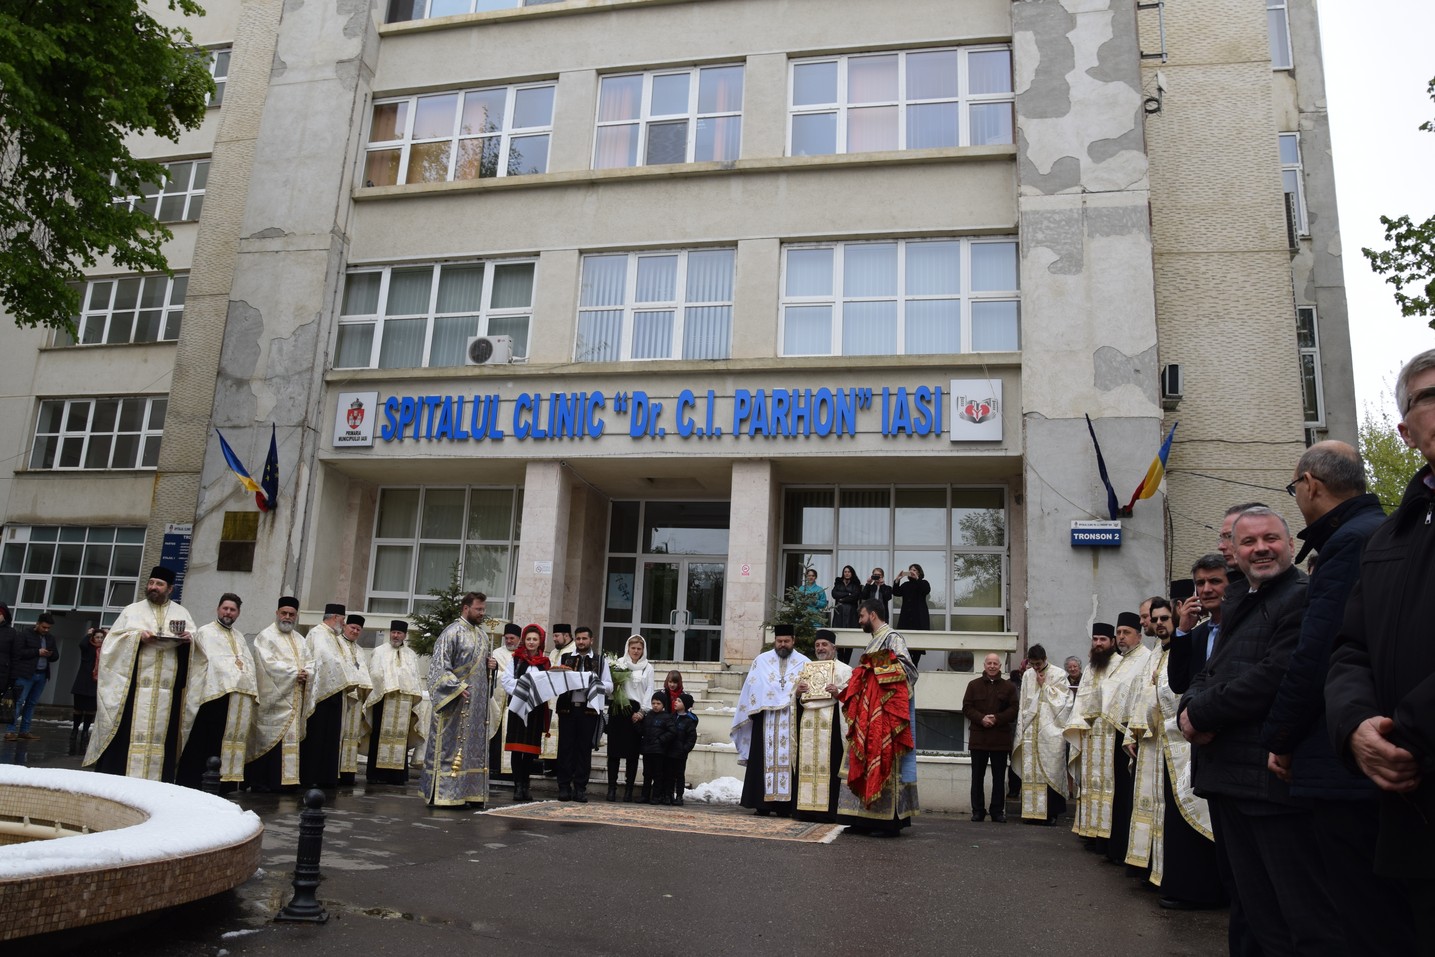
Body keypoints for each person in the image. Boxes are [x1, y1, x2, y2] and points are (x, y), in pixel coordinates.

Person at [1262, 442, 1415, 953]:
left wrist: (1281, 735)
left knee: (1361, 914)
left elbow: (1320, 649)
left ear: (1310, 484)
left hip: (1345, 758)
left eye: (1294, 488)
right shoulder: (1381, 529)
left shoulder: (1349, 543)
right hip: (1374, 743)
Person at [1180, 507, 1341, 956]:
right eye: (1248, 542)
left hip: (1271, 786)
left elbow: (1278, 673)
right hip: (1231, 781)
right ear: (1234, 551)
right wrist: (1187, 709)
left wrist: (1202, 714)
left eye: (1270, 538)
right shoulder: (1241, 602)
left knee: (1300, 917)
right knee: (1253, 913)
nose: (1260, 549)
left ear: (1290, 543)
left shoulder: (1302, 596)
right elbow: (1209, 671)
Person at [1328, 348, 1435, 952]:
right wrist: (1353, 726)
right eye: (1429, 395)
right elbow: (1350, 647)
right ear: (1405, 428)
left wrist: (1404, 733)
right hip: (1408, 811)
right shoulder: (1392, 534)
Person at [85, 568, 193, 780]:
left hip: (167, 693)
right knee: (127, 734)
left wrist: (190, 640)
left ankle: (158, 779)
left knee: (163, 735)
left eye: (159, 584)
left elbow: (196, 646)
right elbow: (111, 645)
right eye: (151, 582)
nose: (153, 587)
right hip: (134, 689)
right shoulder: (131, 611)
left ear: (170, 589)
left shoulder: (182, 613)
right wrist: (136, 639)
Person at [835, 599, 918, 835]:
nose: (859, 620)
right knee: (862, 760)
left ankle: (888, 823)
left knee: (884, 761)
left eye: (861, 616)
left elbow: (908, 670)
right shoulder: (874, 641)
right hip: (867, 714)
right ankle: (863, 820)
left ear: (872, 615)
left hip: (885, 716)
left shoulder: (893, 638)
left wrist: (871, 668)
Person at [175, 593, 259, 790]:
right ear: (218, 609)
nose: (228, 612)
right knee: (205, 741)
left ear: (238, 613)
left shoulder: (238, 636)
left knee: (227, 741)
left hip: (235, 699)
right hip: (212, 697)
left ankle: (225, 783)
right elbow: (199, 661)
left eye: (233, 610)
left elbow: (245, 662)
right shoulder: (205, 632)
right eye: (225, 608)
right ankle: (193, 782)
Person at [424, 591, 496, 808]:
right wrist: (455, 687)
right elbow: (438, 668)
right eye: (479, 609)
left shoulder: (483, 636)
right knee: (451, 748)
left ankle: (470, 793)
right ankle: (447, 794)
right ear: (466, 608)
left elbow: (483, 672)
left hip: (475, 705)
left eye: (484, 609)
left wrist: (492, 667)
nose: (482, 613)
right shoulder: (451, 633)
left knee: (473, 748)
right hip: (455, 702)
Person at [732, 623, 812, 817]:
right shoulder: (761, 661)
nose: (782, 644)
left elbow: (810, 689)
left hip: (791, 719)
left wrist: (799, 693)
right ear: (774, 641)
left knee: (790, 759)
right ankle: (763, 804)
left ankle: (786, 806)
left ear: (793, 641)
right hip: (766, 720)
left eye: (786, 641)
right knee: (762, 759)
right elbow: (752, 688)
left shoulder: (804, 662)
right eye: (779, 641)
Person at [1063, 622, 1120, 851]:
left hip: (1109, 737)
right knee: (1089, 785)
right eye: (1095, 639)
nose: (1098, 644)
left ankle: (1106, 834)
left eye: (1102, 640)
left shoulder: (1118, 665)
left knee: (1108, 786)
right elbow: (1082, 700)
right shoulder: (1090, 668)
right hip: (1089, 735)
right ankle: (1089, 829)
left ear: (1112, 642)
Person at [246, 597, 312, 791]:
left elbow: (310, 662)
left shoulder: (300, 639)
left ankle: (286, 781)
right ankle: (263, 782)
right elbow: (266, 664)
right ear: (277, 613)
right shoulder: (266, 636)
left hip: (295, 698)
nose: (287, 617)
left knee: (289, 740)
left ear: (296, 616)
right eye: (284, 613)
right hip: (272, 701)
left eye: (291, 614)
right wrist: (294, 673)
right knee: (268, 740)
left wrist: (307, 672)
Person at [1105, 609, 1154, 866]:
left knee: (1128, 793)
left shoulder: (1145, 658)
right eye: (1119, 633)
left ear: (1139, 635)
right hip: (1117, 731)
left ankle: (1125, 849)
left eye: (1126, 633)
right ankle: (1117, 847)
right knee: (1119, 793)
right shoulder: (1122, 659)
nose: (1121, 637)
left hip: (1131, 732)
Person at [794, 629, 853, 822]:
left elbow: (853, 698)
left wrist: (838, 692)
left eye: (824, 644)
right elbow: (794, 699)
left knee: (831, 766)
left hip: (833, 727)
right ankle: (806, 810)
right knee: (807, 765)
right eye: (817, 645)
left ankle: (830, 812)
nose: (820, 648)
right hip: (809, 726)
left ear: (833, 648)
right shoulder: (806, 670)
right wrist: (798, 692)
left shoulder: (845, 670)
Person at [1013, 643, 1072, 824]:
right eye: (1033, 664)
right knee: (1031, 772)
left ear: (1045, 659)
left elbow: (1065, 703)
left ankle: (1050, 814)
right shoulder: (1028, 675)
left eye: (1038, 663)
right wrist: (1021, 728)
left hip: (1050, 732)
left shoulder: (1059, 674)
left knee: (1050, 771)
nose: (1036, 667)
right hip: (1031, 730)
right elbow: (1023, 702)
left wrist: (1044, 685)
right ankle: (1031, 813)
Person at [299, 602, 355, 789]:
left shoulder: (337, 638)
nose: (344, 623)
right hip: (320, 694)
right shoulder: (317, 633)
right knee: (317, 735)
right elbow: (323, 659)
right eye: (343, 619)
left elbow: (345, 661)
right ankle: (311, 776)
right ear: (335, 618)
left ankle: (328, 776)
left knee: (332, 736)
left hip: (336, 692)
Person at [554, 625, 612, 803]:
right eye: (578, 639)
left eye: (584, 639)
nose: (581, 642)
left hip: (588, 711)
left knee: (583, 750)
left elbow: (609, 686)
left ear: (591, 640)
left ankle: (580, 788)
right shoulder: (565, 657)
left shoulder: (601, 661)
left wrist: (593, 683)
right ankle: (564, 787)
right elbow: (555, 681)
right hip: (567, 709)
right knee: (565, 749)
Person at [364, 620, 425, 785]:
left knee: (400, 738)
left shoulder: (411, 655)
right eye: (393, 632)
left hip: (404, 702)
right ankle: (376, 775)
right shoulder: (379, 651)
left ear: (405, 635)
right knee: (379, 736)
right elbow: (374, 673)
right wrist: (387, 685)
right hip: (383, 700)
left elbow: (414, 677)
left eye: (399, 633)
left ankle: (397, 776)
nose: (395, 635)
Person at [964, 652, 1018, 822]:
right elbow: (966, 707)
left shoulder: (1009, 687)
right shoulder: (973, 685)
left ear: (1000, 666)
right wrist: (981, 718)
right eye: (990, 663)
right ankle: (978, 811)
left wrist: (997, 718)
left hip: (1000, 740)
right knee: (977, 778)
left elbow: (1014, 710)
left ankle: (997, 811)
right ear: (984, 665)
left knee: (999, 778)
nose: (992, 666)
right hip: (979, 739)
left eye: (996, 663)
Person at [499, 624, 550, 802]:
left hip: (535, 709)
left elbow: (548, 684)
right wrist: (524, 688)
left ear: (540, 642)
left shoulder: (545, 663)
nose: (531, 642)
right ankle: (517, 786)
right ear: (524, 640)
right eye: (528, 639)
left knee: (529, 751)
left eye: (535, 639)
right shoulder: (516, 660)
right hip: (518, 706)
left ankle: (525, 785)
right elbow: (506, 681)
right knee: (517, 749)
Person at [606, 634, 652, 802]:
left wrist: (642, 712)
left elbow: (649, 690)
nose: (635, 651)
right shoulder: (618, 664)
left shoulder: (648, 668)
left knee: (632, 754)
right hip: (617, 708)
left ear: (643, 650)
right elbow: (610, 686)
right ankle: (612, 788)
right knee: (614, 752)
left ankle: (628, 790)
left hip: (634, 710)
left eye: (639, 649)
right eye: (633, 648)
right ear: (628, 648)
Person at [4, 612, 57, 742]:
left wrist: (50, 654)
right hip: (25, 674)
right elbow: (18, 653)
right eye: (44, 627)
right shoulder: (24, 635)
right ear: (37, 624)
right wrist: (37, 652)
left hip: (42, 674)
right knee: (19, 702)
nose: (46, 630)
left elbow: (56, 656)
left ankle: (24, 730)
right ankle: (10, 731)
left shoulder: (50, 638)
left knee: (31, 703)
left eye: (48, 628)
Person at [337, 613, 374, 786]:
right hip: (343, 698)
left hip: (357, 699)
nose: (355, 631)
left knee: (351, 736)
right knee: (340, 734)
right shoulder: (337, 644)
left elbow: (363, 671)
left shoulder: (359, 650)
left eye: (358, 629)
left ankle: (348, 772)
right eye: (352, 627)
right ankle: (336, 770)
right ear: (345, 626)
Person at [488, 622, 521, 780]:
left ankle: (513, 771)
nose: (509, 641)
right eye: (506, 638)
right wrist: (495, 671)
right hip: (500, 702)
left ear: (519, 639)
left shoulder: (522, 654)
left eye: (512, 638)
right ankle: (495, 768)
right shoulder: (496, 653)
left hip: (516, 702)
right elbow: (492, 676)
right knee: (498, 735)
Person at [69, 626, 105, 754]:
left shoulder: (106, 650)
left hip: (95, 683)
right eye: (97, 637)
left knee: (90, 710)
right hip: (83, 682)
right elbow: (82, 644)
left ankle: (85, 731)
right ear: (93, 638)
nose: (100, 639)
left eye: (102, 637)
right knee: (78, 709)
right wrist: (88, 634)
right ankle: (74, 729)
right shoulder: (88, 647)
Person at [640, 690, 675, 804]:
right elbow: (643, 730)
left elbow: (672, 732)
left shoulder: (667, 717)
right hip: (647, 749)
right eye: (653, 703)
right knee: (647, 774)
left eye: (658, 703)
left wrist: (660, 740)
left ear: (663, 704)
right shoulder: (648, 715)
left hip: (659, 751)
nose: (655, 705)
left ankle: (656, 796)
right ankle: (644, 796)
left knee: (658, 774)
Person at [670, 692, 698, 805]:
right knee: (669, 774)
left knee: (679, 775)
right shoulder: (672, 717)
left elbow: (691, 738)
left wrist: (684, 749)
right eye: (676, 700)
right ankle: (669, 794)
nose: (676, 702)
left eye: (679, 701)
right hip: (669, 751)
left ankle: (679, 795)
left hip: (680, 753)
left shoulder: (689, 721)